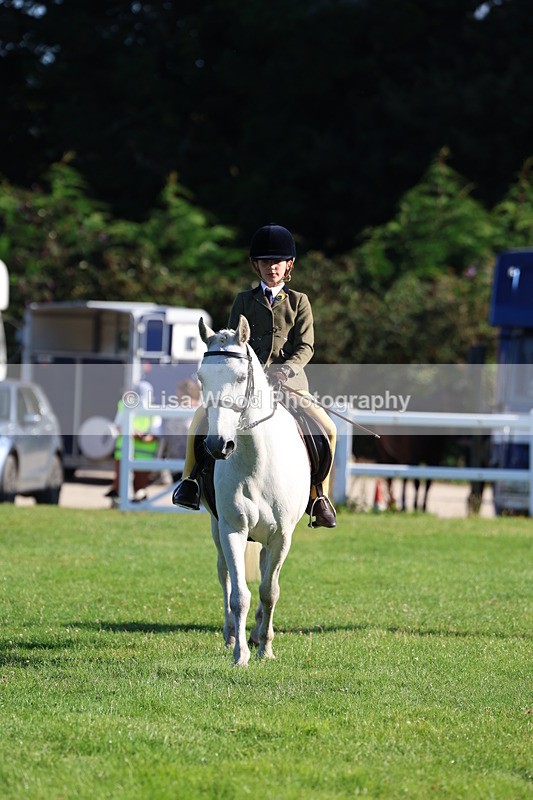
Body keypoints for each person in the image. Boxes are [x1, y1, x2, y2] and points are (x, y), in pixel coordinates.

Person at [171, 223, 337, 528]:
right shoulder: (243, 301)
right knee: (200, 420)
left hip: (289, 384)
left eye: (277, 262)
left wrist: (285, 369)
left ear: (289, 265)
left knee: (327, 428)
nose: (271, 268)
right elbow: (233, 343)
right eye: (265, 262)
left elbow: (306, 346)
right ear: (255, 265)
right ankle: (190, 482)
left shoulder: (299, 301)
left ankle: (319, 496)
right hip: (246, 385)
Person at [105, 380, 162, 504]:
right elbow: (117, 426)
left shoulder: (154, 409)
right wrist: (129, 431)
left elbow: (156, 434)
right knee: (120, 482)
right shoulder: (124, 405)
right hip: (124, 451)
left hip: (144, 454)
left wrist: (141, 436)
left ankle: (140, 503)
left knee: (139, 486)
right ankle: (118, 502)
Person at [161, 377, 201, 481]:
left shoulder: (197, 411)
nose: (178, 396)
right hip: (175, 462)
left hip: (192, 464)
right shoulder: (175, 412)